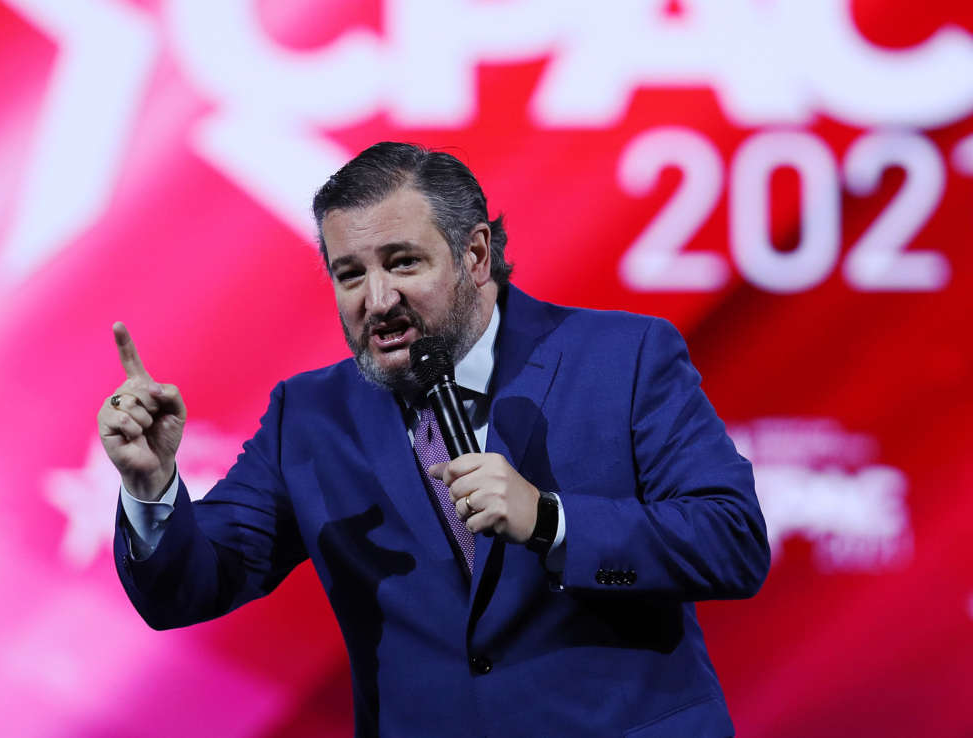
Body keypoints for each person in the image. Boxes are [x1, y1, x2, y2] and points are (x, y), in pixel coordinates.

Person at [98, 142, 770, 737]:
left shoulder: (623, 357)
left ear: (475, 254)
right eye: (350, 273)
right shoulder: (309, 415)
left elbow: (731, 541)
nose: (378, 299)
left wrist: (551, 521)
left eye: (403, 262)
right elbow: (185, 590)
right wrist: (151, 487)